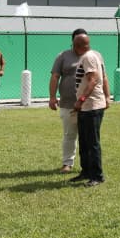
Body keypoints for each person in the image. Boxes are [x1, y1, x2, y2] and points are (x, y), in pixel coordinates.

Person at [70, 33, 111, 187]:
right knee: (84, 141)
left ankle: (97, 176)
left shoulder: (88, 57)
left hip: (91, 106)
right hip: (87, 107)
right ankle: (86, 171)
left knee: (92, 143)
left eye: (74, 45)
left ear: (78, 46)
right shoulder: (93, 55)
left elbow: (93, 80)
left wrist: (81, 100)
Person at [48, 29, 88, 174]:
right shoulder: (63, 56)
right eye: (78, 41)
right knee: (69, 135)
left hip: (88, 104)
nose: (82, 44)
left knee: (87, 137)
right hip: (67, 104)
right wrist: (52, 97)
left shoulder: (91, 56)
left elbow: (100, 77)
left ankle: (88, 166)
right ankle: (67, 163)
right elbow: (55, 77)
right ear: (73, 42)